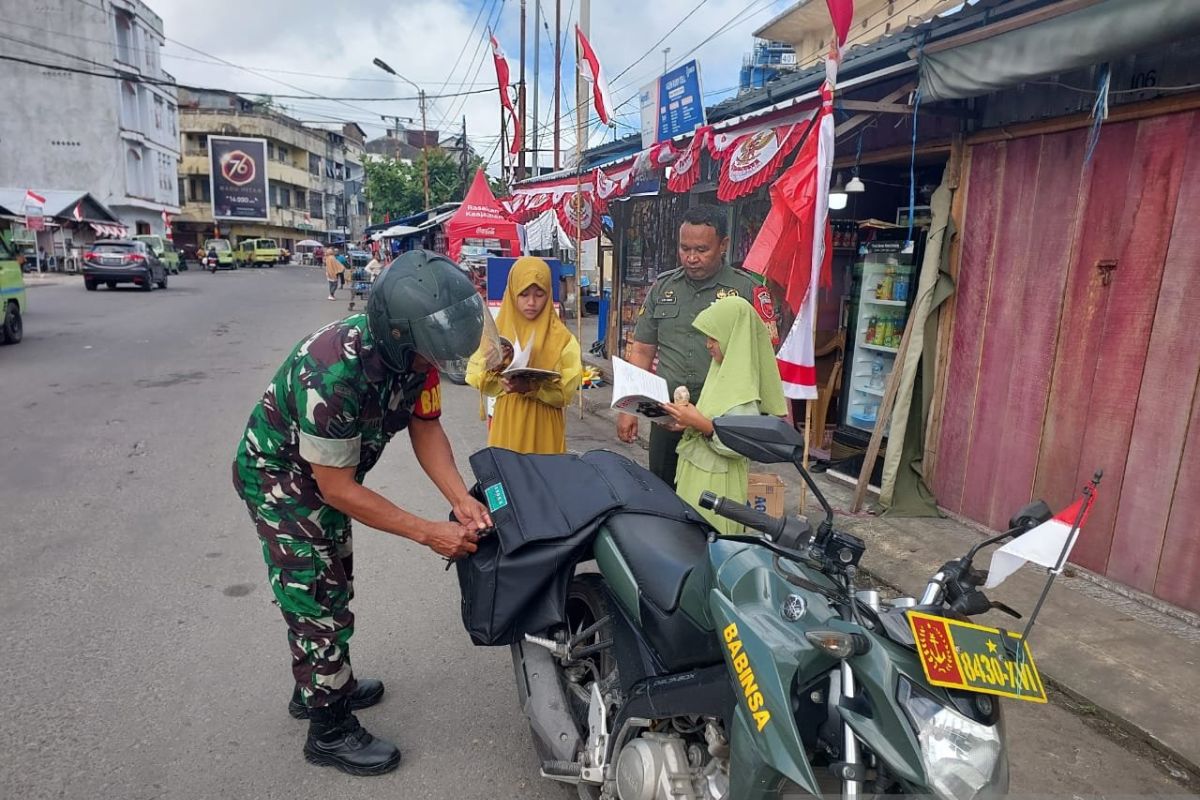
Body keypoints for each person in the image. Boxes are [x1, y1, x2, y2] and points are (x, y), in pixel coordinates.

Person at [231, 250, 496, 776]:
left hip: (325, 480)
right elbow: (337, 489)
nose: (434, 368)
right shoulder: (331, 371)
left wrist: (461, 499)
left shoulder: (418, 352)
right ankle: (327, 729)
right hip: (281, 478)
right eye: (429, 359)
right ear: (399, 340)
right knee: (314, 593)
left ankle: (321, 683)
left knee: (336, 582)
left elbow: (425, 425)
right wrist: (428, 532)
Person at [618, 205, 770, 487]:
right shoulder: (664, 288)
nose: (691, 258)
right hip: (668, 415)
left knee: (712, 499)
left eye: (701, 249)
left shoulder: (746, 291)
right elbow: (641, 350)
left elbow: (761, 358)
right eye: (684, 248)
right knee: (663, 493)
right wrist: (629, 408)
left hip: (721, 419)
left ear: (723, 245)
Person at [664, 296, 786, 532]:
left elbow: (739, 445)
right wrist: (686, 421)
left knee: (710, 544)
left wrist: (701, 424)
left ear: (734, 337)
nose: (708, 344)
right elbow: (710, 417)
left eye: (714, 337)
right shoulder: (719, 373)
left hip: (717, 488)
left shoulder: (743, 390)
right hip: (699, 480)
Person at [466, 256, 583, 454]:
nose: (531, 302)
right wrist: (496, 374)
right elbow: (475, 375)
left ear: (549, 294)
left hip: (544, 426)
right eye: (523, 294)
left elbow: (566, 392)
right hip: (508, 422)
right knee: (508, 479)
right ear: (512, 294)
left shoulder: (562, 339)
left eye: (539, 294)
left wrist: (533, 387)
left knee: (544, 479)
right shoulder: (497, 333)